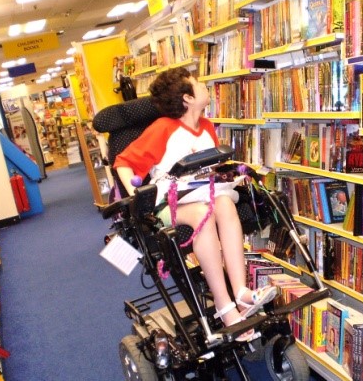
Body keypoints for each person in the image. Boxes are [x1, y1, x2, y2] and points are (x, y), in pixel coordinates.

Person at [113, 67, 277, 339]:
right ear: (187, 98)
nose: (204, 86)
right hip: (168, 204)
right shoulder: (163, 128)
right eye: (197, 83)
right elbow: (124, 162)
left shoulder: (208, 127)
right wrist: (134, 192)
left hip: (205, 193)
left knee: (224, 203)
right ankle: (225, 308)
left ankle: (241, 292)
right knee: (204, 212)